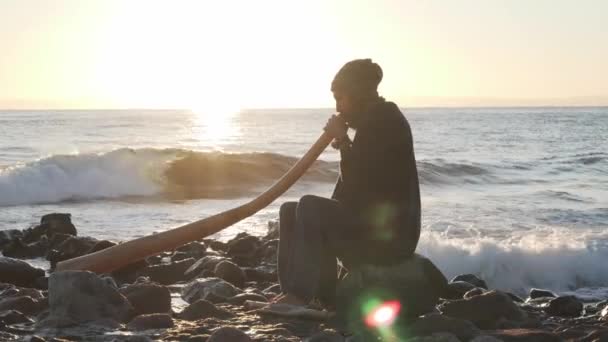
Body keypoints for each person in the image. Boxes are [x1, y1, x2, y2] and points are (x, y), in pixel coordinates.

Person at [274, 59, 421, 307]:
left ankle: (300, 295)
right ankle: (309, 293)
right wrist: (346, 143)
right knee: (290, 210)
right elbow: (352, 190)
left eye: (341, 98)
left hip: (391, 238)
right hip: (369, 226)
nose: (338, 106)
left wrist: (343, 141)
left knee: (309, 206)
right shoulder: (370, 123)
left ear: (357, 94)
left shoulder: (386, 120)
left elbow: (363, 182)